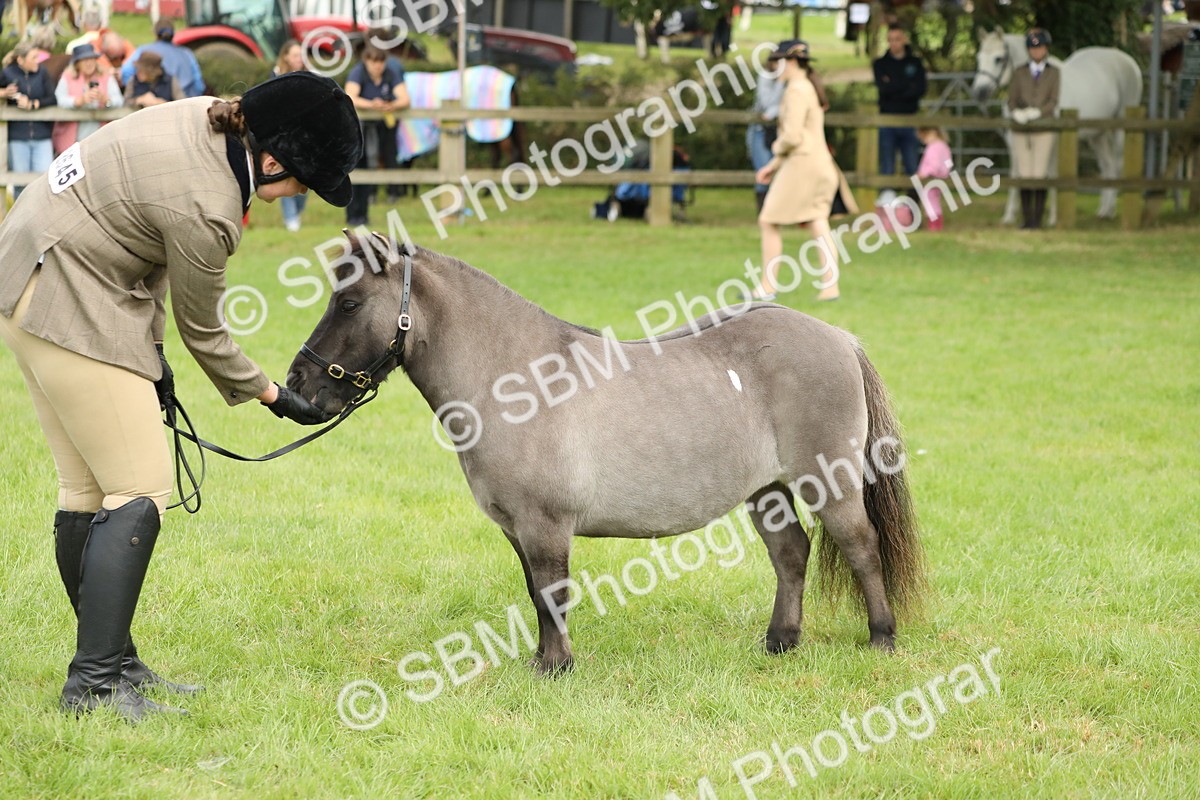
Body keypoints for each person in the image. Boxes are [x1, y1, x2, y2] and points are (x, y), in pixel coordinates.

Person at [0, 72, 363, 722]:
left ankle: (112, 660)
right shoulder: (211, 206)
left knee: (88, 491)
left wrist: (151, 357)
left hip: (29, 267)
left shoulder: (206, 118)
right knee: (139, 491)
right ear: (273, 159)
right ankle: (95, 685)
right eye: (302, 184)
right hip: (68, 292)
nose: (300, 195)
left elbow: (146, 245)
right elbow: (207, 330)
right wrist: (273, 394)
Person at [752, 40, 850, 303]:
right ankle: (831, 287)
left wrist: (775, 146)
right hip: (821, 163)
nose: (776, 68)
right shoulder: (808, 87)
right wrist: (772, 167)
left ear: (791, 62)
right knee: (819, 221)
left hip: (802, 164)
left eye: (779, 62)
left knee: (768, 220)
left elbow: (793, 136)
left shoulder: (796, 90)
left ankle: (766, 287)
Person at [344, 44, 410, 226]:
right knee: (356, 168)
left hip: (382, 129)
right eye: (374, 62)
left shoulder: (390, 73)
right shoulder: (358, 73)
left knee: (376, 164)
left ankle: (364, 215)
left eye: (381, 62)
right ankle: (352, 215)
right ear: (366, 61)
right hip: (358, 130)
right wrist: (372, 104)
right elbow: (350, 96)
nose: (378, 66)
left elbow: (404, 98)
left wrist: (392, 105)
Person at [1008, 28, 1060, 230]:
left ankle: (1037, 219)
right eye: (1033, 48)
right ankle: (1026, 218)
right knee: (1024, 172)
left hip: (1044, 126)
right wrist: (1017, 113)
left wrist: (1038, 112)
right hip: (1021, 128)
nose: (1036, 52)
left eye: (1040, 48)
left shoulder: (1053, 73)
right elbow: (1011, 99)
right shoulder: (1019, 72)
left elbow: (1053, 100)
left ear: (1046, 49)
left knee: (1039, 173)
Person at [2, 42, 58, 199]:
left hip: (42, 136)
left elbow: (52, 99)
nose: (37, 61)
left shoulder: (42, 73)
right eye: (33, 57)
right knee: (21, 186)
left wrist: (33, 104)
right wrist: (5, 92)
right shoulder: (7, 73)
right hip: (18, 137)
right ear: (21, 60)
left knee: (45, 183)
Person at [873, 24, 926, 183]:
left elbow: (920, 89)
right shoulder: (880, 64)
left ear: (904, 40)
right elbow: (884, 90)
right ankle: (887, 201)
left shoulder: (915, 63)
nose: (894, 43)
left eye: (897, 39)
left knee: (912, 165)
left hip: (909, 119)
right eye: (890, 40)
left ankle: (913, 202)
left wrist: (893, 85)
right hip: (887, 120)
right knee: (887, 165)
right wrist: (907, 85)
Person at [53, 43, 123, 153]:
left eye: (92, 59)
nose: (89, 63)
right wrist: (79, 101)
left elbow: (119, 100)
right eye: (85, 60)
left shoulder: (106, 76)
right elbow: (59, 99)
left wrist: (105, 100)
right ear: (77, 63)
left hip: (101, 138)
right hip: (72, 139)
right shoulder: (67, 77)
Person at [121, 19, 205, 98]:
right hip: (186, 102)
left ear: (155, 33)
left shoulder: (144, 51)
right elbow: (199, 85)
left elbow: (126, 71)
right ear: (173, 34)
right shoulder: (186, 53)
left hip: (155, 103)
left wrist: (139, 91)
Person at [273, 40, 307, 231]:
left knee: (305, 177)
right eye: (295, 55)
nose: (299, 59)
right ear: (286, 56)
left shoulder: (309, 77)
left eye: (301, 55)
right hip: (283, 135)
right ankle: (290, 218)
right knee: (286, 174)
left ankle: (297, 212)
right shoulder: (276, 76)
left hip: (304, 135)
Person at [746, 49, 784, 215]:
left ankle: (776, 212)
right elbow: (767, 103)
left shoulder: (795, 82)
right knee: (763, 170)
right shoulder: (766, 77)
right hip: (760, 130)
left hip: (781, 131)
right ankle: (764, 213)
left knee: (780, 174)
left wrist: (775, 111)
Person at [915, 126, 952, 230]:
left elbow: (934, 165)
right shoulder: (944, 146)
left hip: (931, 178)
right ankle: (938, 225)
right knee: (935, 201)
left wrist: (923, 173)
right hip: (942, 177)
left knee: (929, 202)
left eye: (924, 138)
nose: (924, 141)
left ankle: (933, 225)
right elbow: (948, 163)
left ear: (933, 133)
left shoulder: (933, 147)